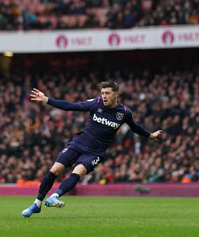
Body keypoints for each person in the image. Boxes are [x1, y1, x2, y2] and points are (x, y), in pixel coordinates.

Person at [21, 81, 166, 217]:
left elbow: (134, 127)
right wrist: (47, 100)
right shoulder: (95, 103)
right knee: (55, 170)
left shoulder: (124, 112)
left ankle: (55, 196)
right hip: (78, 143)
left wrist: (149, 135)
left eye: (107, 93)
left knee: (78, 172)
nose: (104, 96)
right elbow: (71, 106)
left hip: (95, 151)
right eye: (102, 93)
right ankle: (37, 204)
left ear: (116, 94)